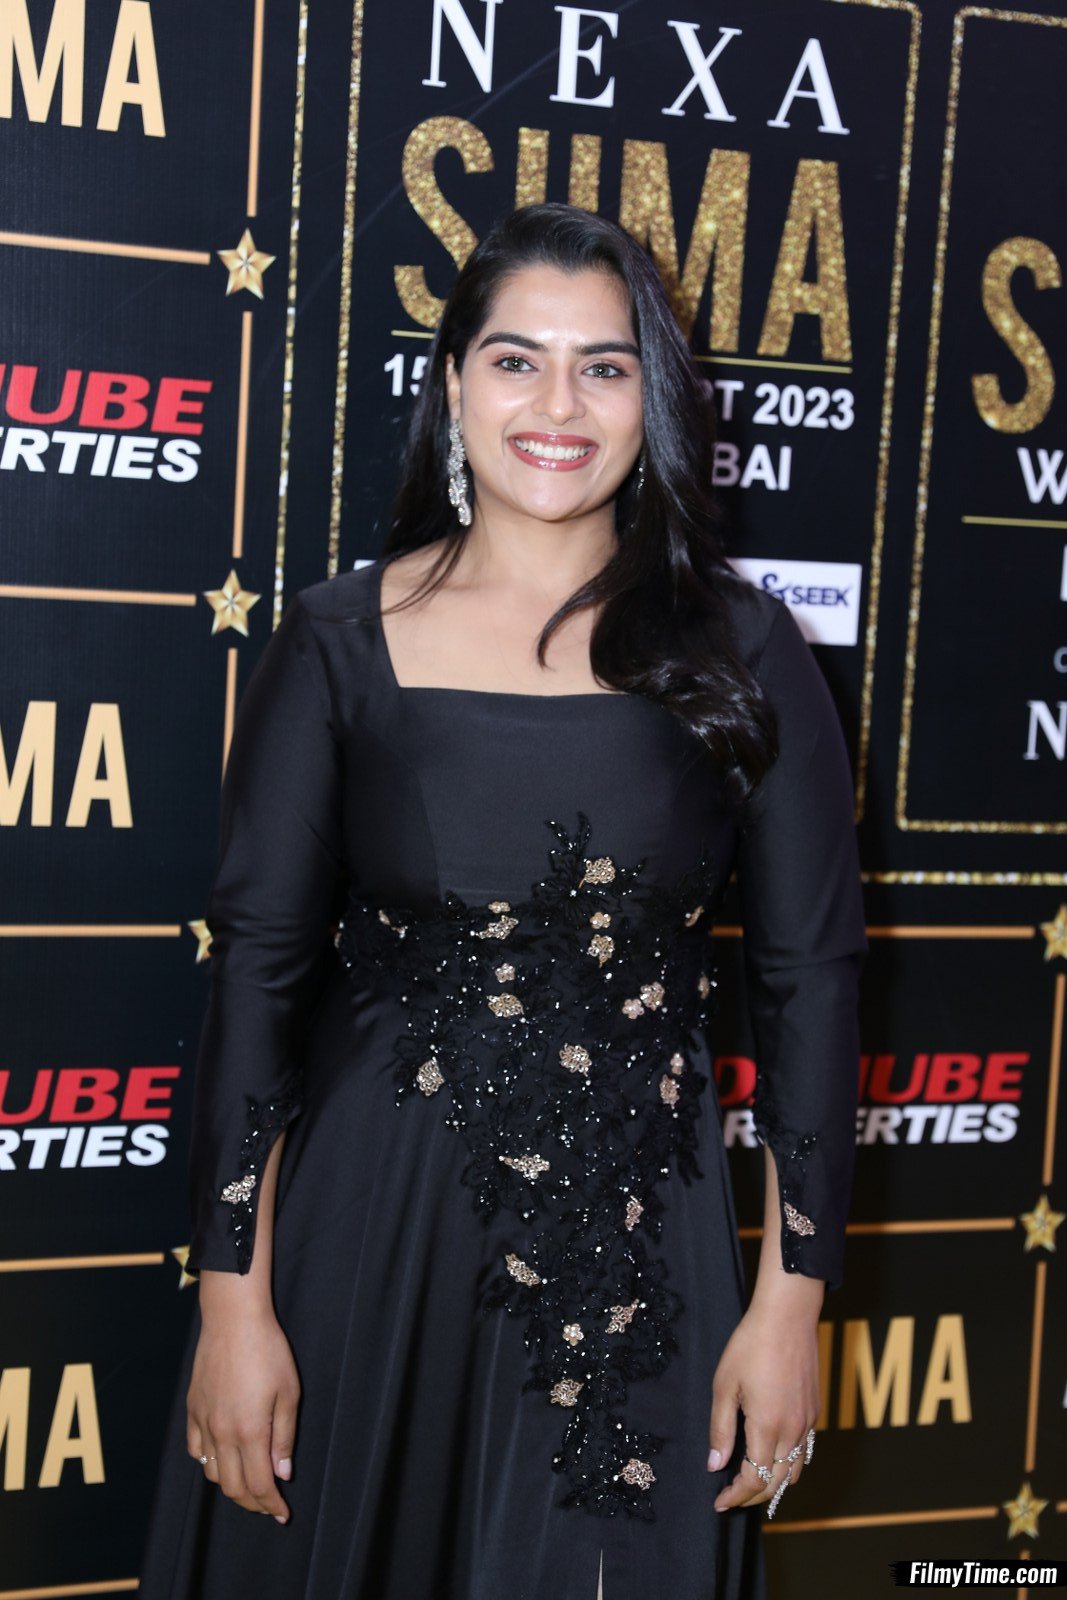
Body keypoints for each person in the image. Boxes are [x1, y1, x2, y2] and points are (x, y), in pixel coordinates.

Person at [138, 202, 867, 1599]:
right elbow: (259, 983)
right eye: (517, 360)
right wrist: (233, 1302)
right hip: (368, 1238)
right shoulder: (341, 641)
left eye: (606, 367)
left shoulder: (747, 650)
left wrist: (792, 1302)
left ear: (654, 399)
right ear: (454, 383)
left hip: (640, 1264)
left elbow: (811, 982)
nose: (558, 407)